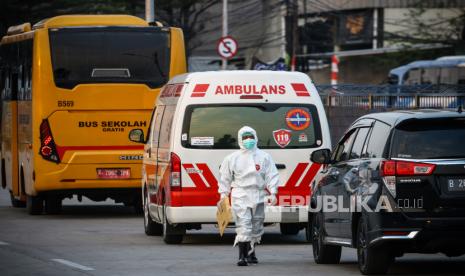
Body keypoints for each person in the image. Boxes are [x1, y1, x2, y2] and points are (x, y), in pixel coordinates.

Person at [218, 126, 279, 266]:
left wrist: (273, 192)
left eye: (250, 137)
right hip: (240, 194)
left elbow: (272, 175)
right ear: (240, 139)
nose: (248, 140)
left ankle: (251, 253)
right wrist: (223, 195)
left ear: (255, 137)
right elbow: (225, 177)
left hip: (259, 193)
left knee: (256, 225)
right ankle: (242, 256)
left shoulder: (264, 157)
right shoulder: (232, 158)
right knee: (244, 224)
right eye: (245, 137)